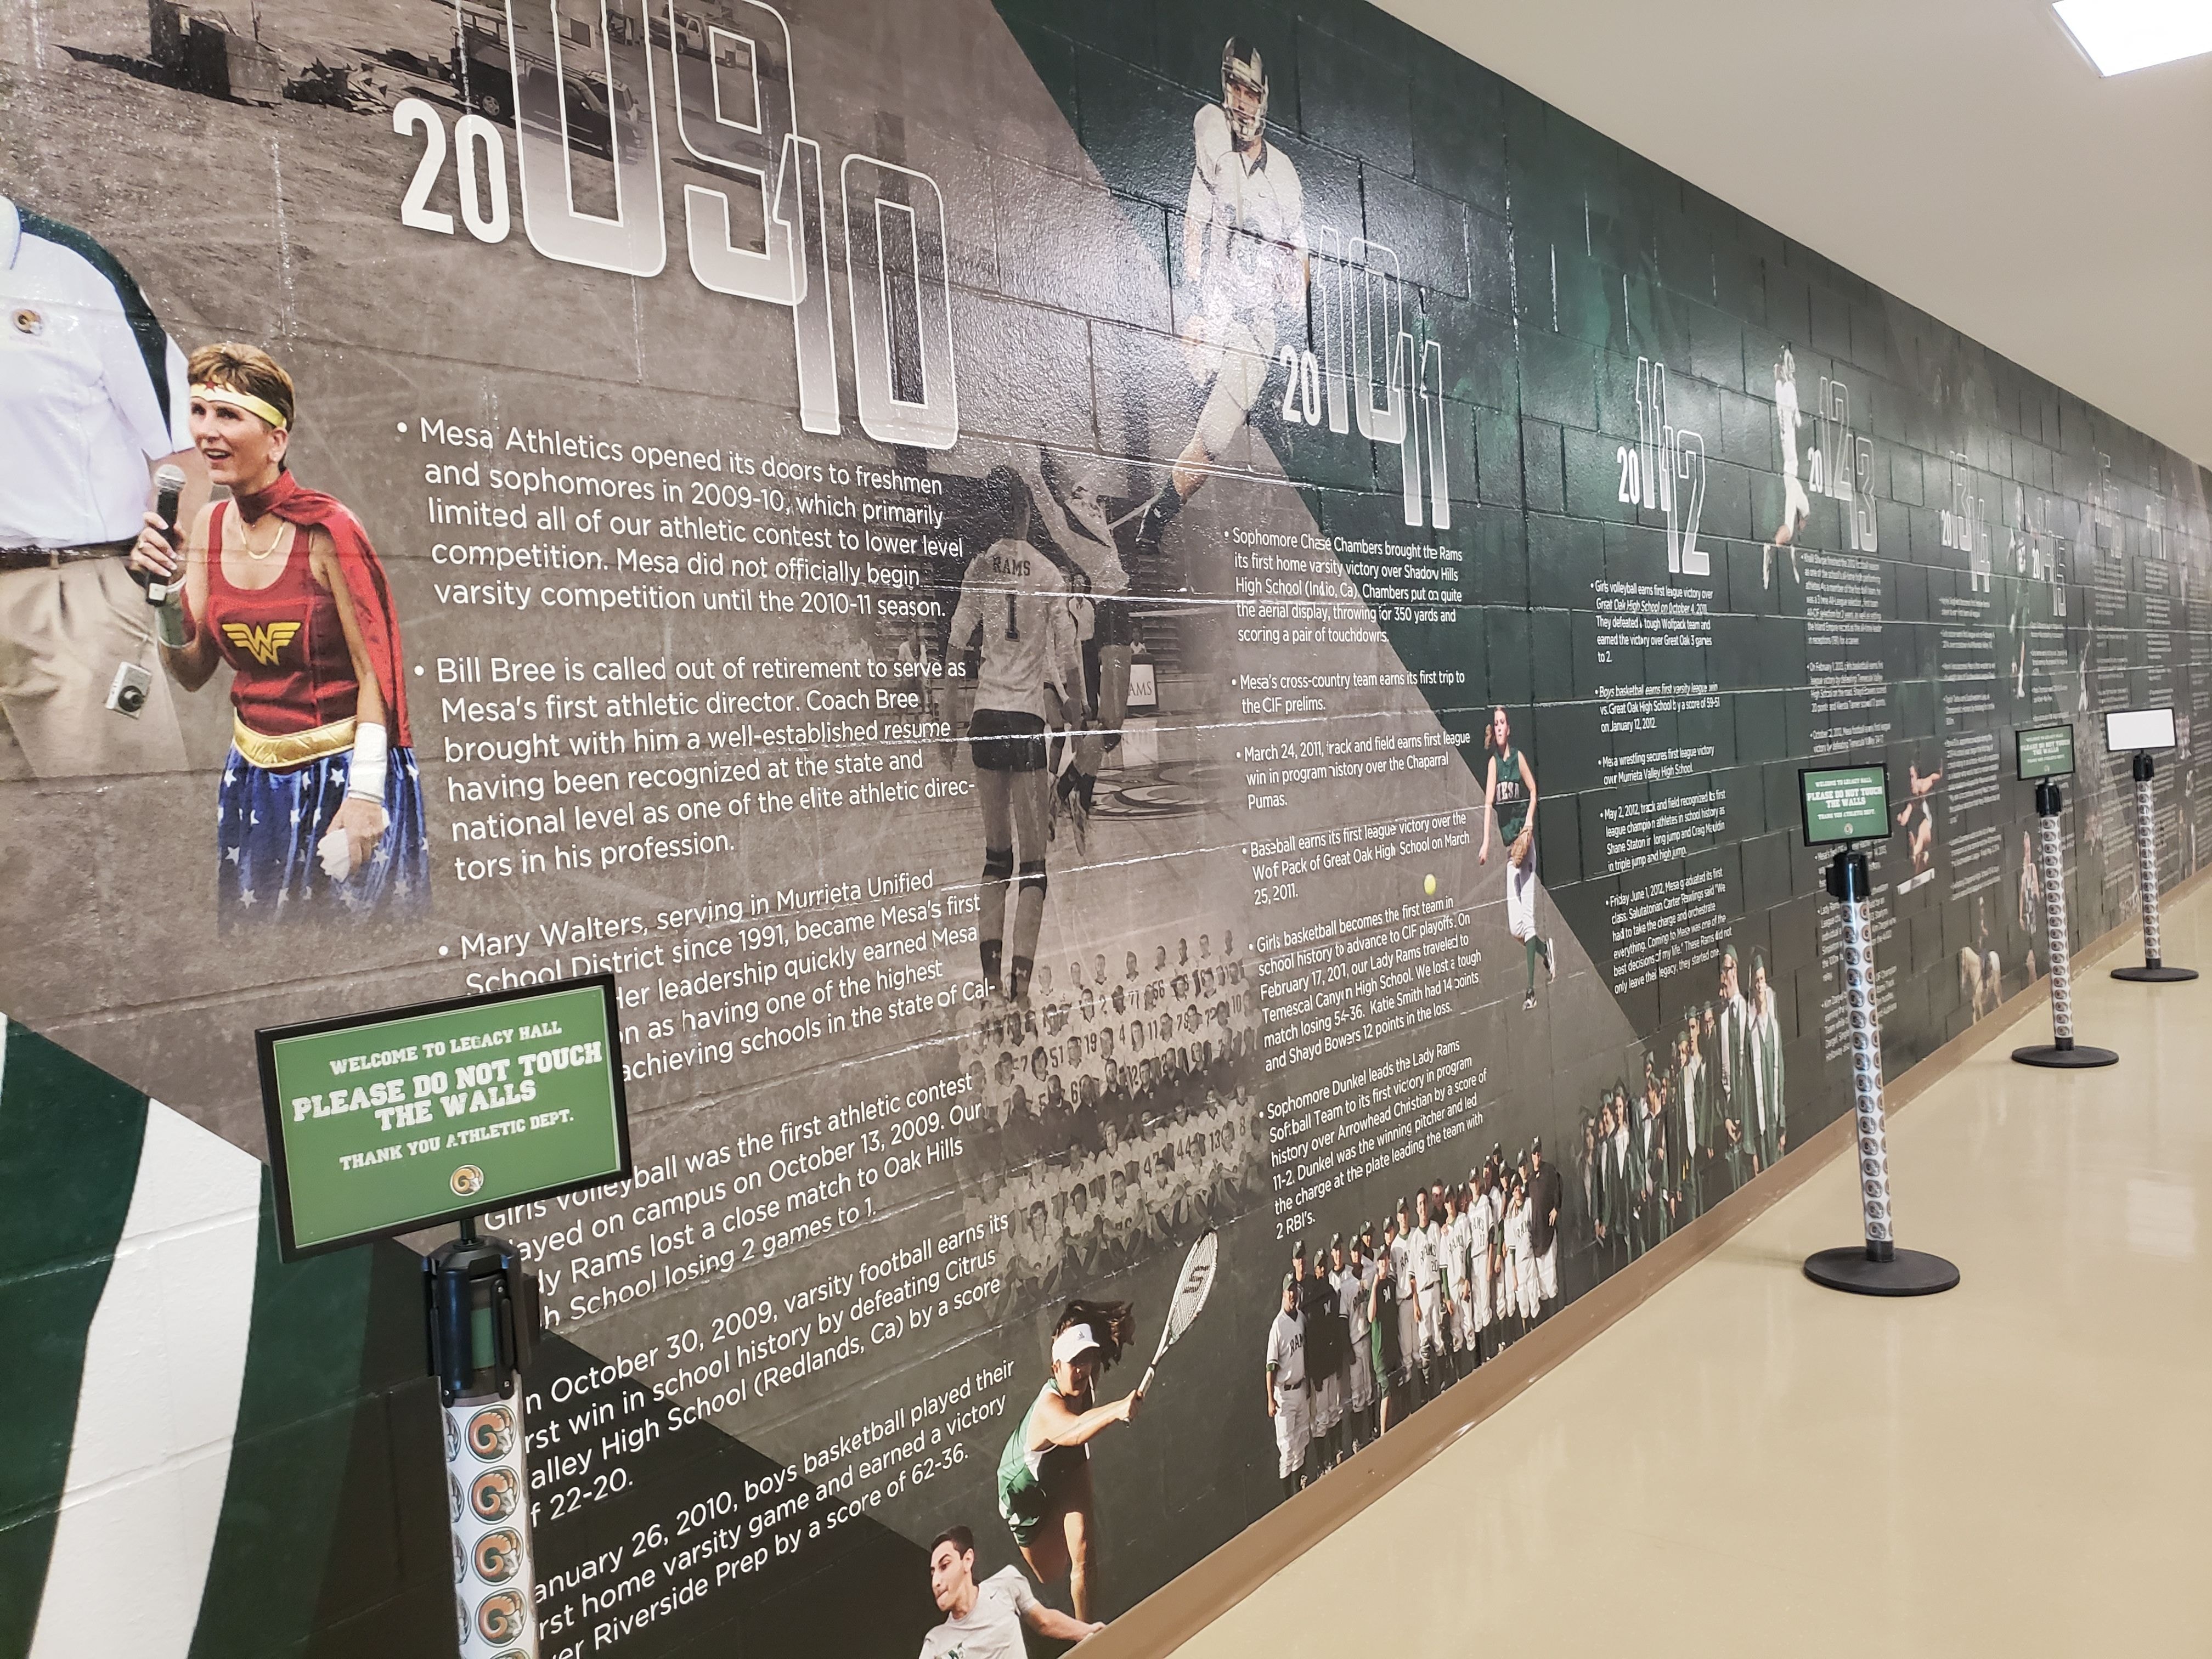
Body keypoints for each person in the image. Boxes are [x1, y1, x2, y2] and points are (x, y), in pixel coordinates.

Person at [129, 342, 425, 926]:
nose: (207, 432)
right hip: (253, 779)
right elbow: (192, 672)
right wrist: (165, 591)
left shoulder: (328, 529)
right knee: (258, 945)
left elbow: (376, 671)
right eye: (199, 412)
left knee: (348, 949)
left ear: (276, 440)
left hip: (343, 776)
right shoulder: (210, 524)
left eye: (228, 415)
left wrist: (366, 797)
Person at [1, 193, 208, 780]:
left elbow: (184, 446)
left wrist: (140, 589)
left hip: (75, 601)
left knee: (119, 820)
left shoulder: (71, 268)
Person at [1128, 38, 1308, 578]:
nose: (1242, 100)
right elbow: (1193, 223)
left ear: (1265, 95)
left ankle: (1158, 514)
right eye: (1235, 86)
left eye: (1251, 90)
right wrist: (1195, 304)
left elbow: (1299, 266)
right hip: (1216, 306)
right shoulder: (1211, 130)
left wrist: (1287, 279)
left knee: (1213, 437)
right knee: (1178, 378)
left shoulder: (1284, 177)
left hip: (1255, 322)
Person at [946, 467, 1088, 1002]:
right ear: (1028, 512)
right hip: (1026, 721)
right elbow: (1068, 658)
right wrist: (1077, 715)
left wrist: (948, 722)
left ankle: (989, 986)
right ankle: (1020, 992)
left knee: (995, 858)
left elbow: (955, 646)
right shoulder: (1048, 573)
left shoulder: (980, 566)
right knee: (1033, 866)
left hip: (986, 717)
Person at [996, 1301, 1141, 1621]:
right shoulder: (1048, 1409)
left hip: (1066, 1465)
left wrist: (1118, 1331)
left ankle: (1087, 1639)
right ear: (1055, 1368)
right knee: (1051, 1572)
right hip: (1025, 1495)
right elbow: (1073, 1431)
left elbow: (1077, 1436)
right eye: (1074, 1362)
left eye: (1087, 1358)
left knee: (1084, 1552)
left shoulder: (1088, 1376)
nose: (1082, 1369)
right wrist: (1118, 1409)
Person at [919, 1526, 1101, 1657]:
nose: (936, 1582)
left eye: (944, 1566)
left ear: (967, 1560)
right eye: (933, 1572)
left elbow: (1044, 1621)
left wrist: (1087, 1631)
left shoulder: (1006, 1584)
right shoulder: (936, 1643)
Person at [1477, 706, 1554, 1010]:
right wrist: (1486, 842)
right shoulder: (1494, 765)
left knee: (1529, 920)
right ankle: (1545, 951)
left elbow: (1534, 790)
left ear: (1509, 729)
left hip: (1526, 846)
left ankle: (1531, 991)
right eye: (1495, 723)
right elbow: (1488, 805)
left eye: (1503, 723)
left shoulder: (1518, 758)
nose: (1499, 727)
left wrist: (1530, 822)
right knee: (1515, 929)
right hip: (1512, 852)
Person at [1763, 346, 1808, 590]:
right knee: (1798, 519)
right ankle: (1776, 547)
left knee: (1799, 517)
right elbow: (1799, 420)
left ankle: (1785, 545)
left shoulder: (1779, 389)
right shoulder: (1788, 389)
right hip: (1791, 470)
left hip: (1789, 469)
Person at [1265, 1273, 1310, 1499]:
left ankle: (1300, 1491)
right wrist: (1270, 1399)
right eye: (1289, 1291)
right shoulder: (1278, 1326)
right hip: (1284, 1395)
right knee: (1287, 1449)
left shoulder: (1300, 1318)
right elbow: (1270, 1367)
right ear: (1283, 1294)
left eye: (1294, 1290)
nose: (1292, 1294)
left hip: (1301, 1388)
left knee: (1302, 1441)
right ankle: (1287, 1501)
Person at [1367, 1218, 1405, 1435]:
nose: (1383, 1263)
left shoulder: (1391, 1283)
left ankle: (1396, 1426)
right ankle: (1383, 1433)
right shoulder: (1376, 1286)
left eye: (1386, 1259)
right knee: (1385, 1391)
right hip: (1380, 1350)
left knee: (1395, 1387)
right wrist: (1374, 1286)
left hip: (1392, 1346)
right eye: (1380, 1261)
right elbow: (1371, 1316)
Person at [1336, 1233, 1372, 1453]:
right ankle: (1357, 1439)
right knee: (1358, 1394)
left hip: (1369, 1337)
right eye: (1354, 1251)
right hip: (1356, 1343)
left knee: (1371, 1390)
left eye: (1360, 1249)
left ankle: (1373, 1431)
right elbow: (1342, 1321)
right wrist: (1348, 1348)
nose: (1357, 1253)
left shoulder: (1370, 1273)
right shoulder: (1346, 1285)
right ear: (1350, 1254)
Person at [1527, 1138, 1563, 1320]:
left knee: (1551, 1280)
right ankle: (1549, 1322)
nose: (1537, 1155)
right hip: (1537, 1238)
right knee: (1541, 1284)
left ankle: (1559, 1319)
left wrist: (1557, 1208)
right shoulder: (1529, 1180)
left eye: (1539, 1151)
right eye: (1534, 1153)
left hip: (1548, 1232)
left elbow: (1559, 1186)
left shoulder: (1549, 1170)